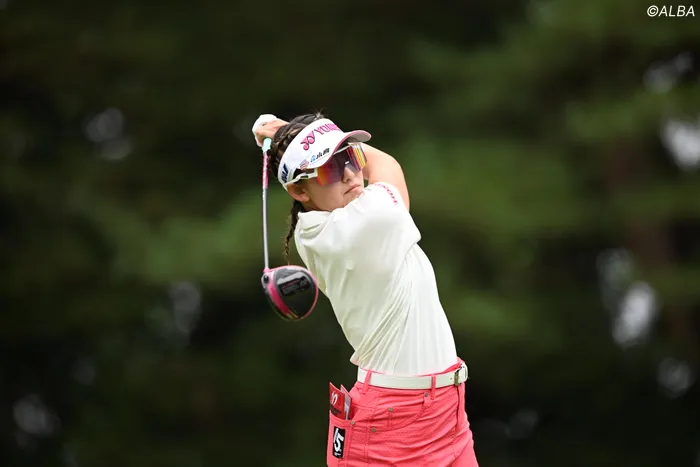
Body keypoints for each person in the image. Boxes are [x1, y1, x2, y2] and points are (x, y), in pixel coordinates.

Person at [252, 112, 479, 466]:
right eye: (330, 168)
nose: (348, 173)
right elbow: (386, 164)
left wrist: (295, 137)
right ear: (298, 191)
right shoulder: (366, 223)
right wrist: (291, 134)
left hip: (446, 415)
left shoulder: (315, 227)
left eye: (350, 156)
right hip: (392, 428)